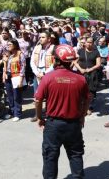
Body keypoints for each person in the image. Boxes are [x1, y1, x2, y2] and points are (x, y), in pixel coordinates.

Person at [34, 44, 89, 179]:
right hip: (74, 124)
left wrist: (40, 117)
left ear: (55, 59)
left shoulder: (48, 78)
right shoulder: (81, 79)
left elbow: (38, 100)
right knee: (75, 154)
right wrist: (82, 115)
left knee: (50, 156)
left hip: (53, 124)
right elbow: (87, 99)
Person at [30, 31, 55, 122]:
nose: (40, 39)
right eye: (40, 37)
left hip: (47, 73)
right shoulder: (36, 48)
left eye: (43, 37)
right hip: (37, 73)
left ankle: (49, 113)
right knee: (37, 96)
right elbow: (32, 61)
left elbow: (54, 63)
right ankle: (37, 114)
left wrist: (45, 73)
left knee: (49, 96)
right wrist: (36, 72)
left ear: (49, 39)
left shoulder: (53, 48)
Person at [73, 36, 101, 114]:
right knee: (81, 90)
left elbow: (98, 64)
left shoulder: (96, 52)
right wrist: (80, 69)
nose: (89, 44)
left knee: (91, 91)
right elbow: (75, 61)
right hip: (81, 73)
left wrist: (90, 69)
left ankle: (90, 106)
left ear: (93, 43)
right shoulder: (80, 51)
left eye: (90, 42)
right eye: (87, 42)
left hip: (92, 74)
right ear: (85, 43)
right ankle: (82, 106)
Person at [3, 39, 26, 122]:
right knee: (10, 96)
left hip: (16, 77)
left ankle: (17, 114)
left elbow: (23, 67)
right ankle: (12, 111)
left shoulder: (20, 54)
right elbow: (5, 66)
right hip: (8, 76)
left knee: (17, 96)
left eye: (10, 44)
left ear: (15, 45)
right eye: (7, 44)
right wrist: (4, 75)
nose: (8, 46)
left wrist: (21, 79)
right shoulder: (8, 55)